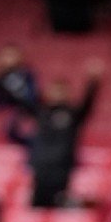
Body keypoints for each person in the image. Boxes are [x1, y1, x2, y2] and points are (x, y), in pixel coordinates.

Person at [13, 62, 102, 208]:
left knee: (58, 203)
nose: (59, 94)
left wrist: (93, 83)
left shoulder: (72, 114)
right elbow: (22, 99)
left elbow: (88, 105)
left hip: (62, 165)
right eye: (55, 90)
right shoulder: (41, 111)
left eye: (62, 91)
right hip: (41, 165)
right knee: (37, 203)